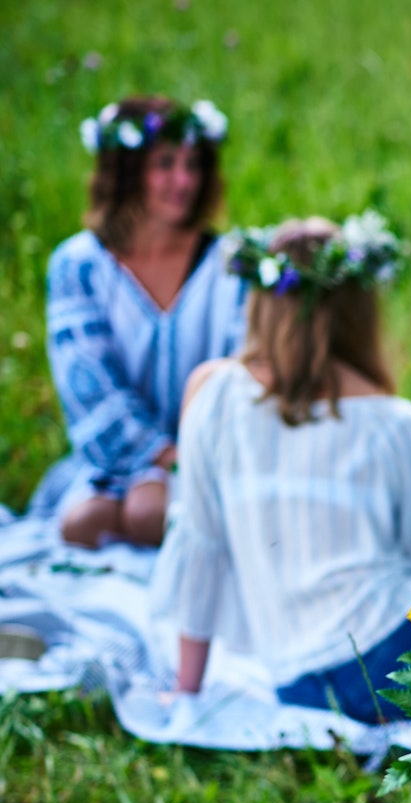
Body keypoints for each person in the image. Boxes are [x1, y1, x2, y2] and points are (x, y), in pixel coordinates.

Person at [155, 213, 411, 724]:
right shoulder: (402, 427)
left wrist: (186, 689)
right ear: (360, 309)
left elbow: (197, 546)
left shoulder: (211, 395)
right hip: (398, 660)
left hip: (297, 683)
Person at [41, 96, 244, 547]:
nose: (183, 180)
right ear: (126, 172)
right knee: (81, 522)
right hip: (114, 456)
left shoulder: (229, 263)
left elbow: (243, 370)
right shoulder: (80, 265)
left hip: (213, 457)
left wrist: (193, 460)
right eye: (165, 164)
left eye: (193, 164)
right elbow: (89, 385)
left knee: (149, 512)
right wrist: (159, 458)